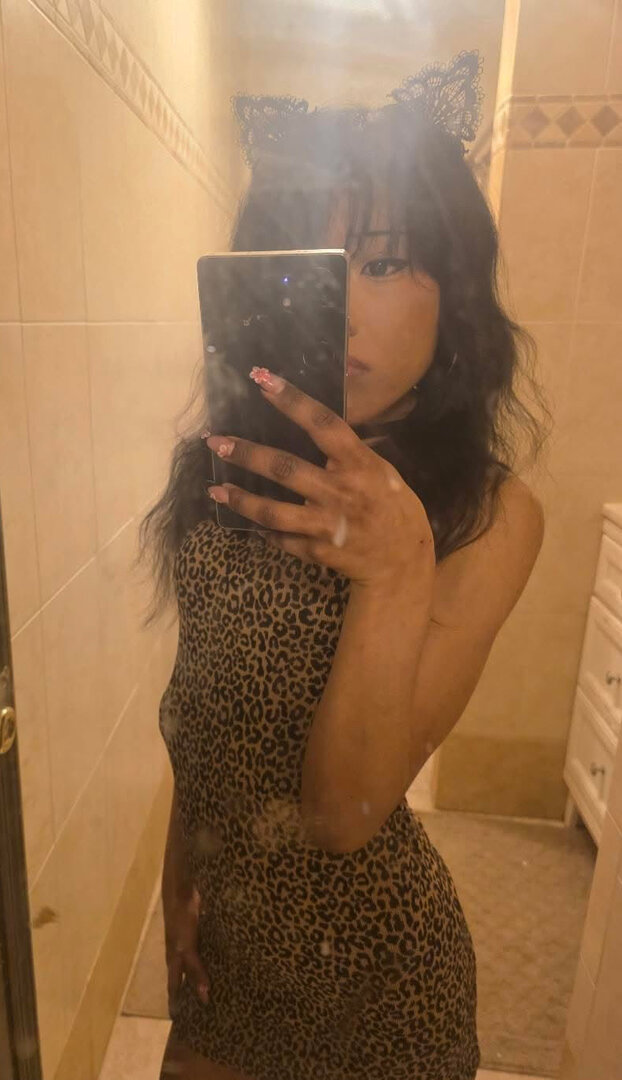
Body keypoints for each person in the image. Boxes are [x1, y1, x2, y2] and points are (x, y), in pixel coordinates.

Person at [138, 52, 547, 1080]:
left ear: (454, 292)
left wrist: (398, 570)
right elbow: (208, 707)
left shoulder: (488, 516)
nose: (346, 311)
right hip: (227, 952)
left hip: (377, 986)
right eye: (311, 269)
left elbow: (345, 814)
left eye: (385, 264)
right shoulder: (225, 471)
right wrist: (177, 879)